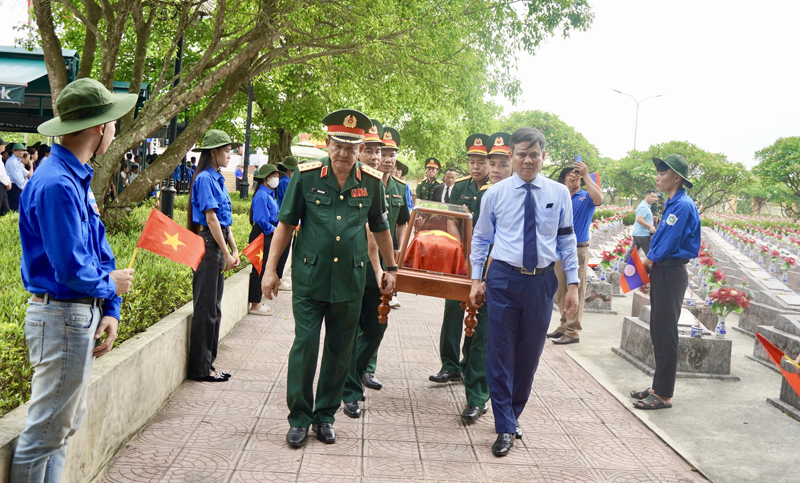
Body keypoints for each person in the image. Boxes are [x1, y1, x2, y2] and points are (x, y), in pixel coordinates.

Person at [10, 78, 137, 482]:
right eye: (113, 122)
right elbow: (71, 268)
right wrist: (109, 287)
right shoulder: (57, 183)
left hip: (74, 316)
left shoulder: (73, 177)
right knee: (46, 434)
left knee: (60, 431)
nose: (115, 129)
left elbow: (98, 252)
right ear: (99, 129)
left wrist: (110, 308)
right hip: (61, 317)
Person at [260, 109, 398, 448]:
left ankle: (324, 416)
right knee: (305, 347)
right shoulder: (306, 178)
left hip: (350, 282)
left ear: (360, 147)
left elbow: (381, 228)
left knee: (339, 351)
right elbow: (285, 225)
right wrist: (270, 269)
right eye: (339, 145)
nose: (344, 154)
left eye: (352, 147)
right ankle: (299, 418)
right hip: (310, 279)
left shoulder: (370, 182)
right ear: (328, 143)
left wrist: (391, 269)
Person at [470, 126, 579, 457]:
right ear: (512, 157)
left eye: (534, 154)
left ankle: (512, 414)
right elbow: (481, 239)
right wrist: (477, 279)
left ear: (543, 157)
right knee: (500, 352)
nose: (528, 160)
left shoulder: (559, 193)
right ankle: (505, 425)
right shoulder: (495, 194)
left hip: (542, 282)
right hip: (503, 279)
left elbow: (566, 240)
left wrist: (571, 284)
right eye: (522, 154)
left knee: (528, 355)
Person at [342, 123, 410, 417]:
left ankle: (354, 376)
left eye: (380, 151)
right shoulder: (352, 182)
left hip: (379, 267)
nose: (378, 157)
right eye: (370, 150)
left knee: (376, 326)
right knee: (347, 329)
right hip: (350, 265)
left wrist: (392, 264)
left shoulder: (390, 187)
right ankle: (350, 390)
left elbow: (394, 226)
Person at [429, 133, 493, 424]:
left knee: (479, 317)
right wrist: (462, 248)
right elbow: (452, 220)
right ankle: (450, 365)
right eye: (472, 161)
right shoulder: (460, 188)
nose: (476, 166)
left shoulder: (496, 189)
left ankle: (470, 368)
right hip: (462, 259)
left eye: (481, 162)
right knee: (452, 310)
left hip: (491, 263)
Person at [631, 155, 701, 410]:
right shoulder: (672, 204)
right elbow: (660, 239)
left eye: (663, 173)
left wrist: (643, 265)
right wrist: (649, 270)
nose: (658, 177)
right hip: (663, 271)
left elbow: (667, 244)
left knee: (666, 332)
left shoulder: (682, 205)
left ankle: (664, 395)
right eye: (658, 173)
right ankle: (657, 387)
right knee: (658, 331)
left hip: (671, 273)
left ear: (676, 178)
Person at [186, 129, 242, 382]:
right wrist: (226, 253)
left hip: (216, 247)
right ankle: (200, 368)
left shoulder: (217, 178)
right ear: (213, 152)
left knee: (215, 308)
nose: (230, 155)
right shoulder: (204, 180)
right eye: (227, 151)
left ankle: (209, 364)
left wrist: (233, 248)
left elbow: (223, 220)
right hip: (208, 248)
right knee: (206, 309)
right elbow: (210, 219)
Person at [548, 161, 603, 345]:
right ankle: (564, 325)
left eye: (576, 174)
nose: (574, 176)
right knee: (562, 289)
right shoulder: (560, 196)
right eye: (569, 175)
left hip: (578, 248)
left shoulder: (585, 197)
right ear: (562, 180)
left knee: (576, 290)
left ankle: (573, 331)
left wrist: (586, 175)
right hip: (559, 248)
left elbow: (599, 199)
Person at [247, 164, 281, 316]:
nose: (276, 179)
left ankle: (258, 300)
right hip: (262, 234)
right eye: (274, 176)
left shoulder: (268, 194)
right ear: (266, 178)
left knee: (263, 267)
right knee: (258, 269)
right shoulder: (261, 195)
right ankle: (255, 304)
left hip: (267, 234)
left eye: (277, 176)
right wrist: (276, 230)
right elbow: (261, 219)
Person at [275, 156, 299, 290]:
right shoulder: (285, 182)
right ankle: (278, 279)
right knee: (283, 250)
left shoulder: (287, 180)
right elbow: (288, 201)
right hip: (285, 219)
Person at [623, 189, 659, 263]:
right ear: (646, 196)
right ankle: (655, 269)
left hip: (639, 234)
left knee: (632, 252)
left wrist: (651, 219)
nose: (654, 199)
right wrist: (650, 226)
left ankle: (624, 265)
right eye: (652, 196)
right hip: (643, 234)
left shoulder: (645, 205)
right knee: (651, 254)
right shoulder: (644, 207)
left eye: (655, 197)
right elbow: (639, 219)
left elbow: (642, 218)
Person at [6, 143, 30, 211]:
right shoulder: (13, 161)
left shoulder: (16, 160)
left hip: (16, 186)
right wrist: (22, 187)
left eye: (22, 151)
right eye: (18, 151)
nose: (21, 152)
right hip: (14, 186)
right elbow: (16, 177)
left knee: (16, 206)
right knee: (14, 207)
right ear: (13, 151)